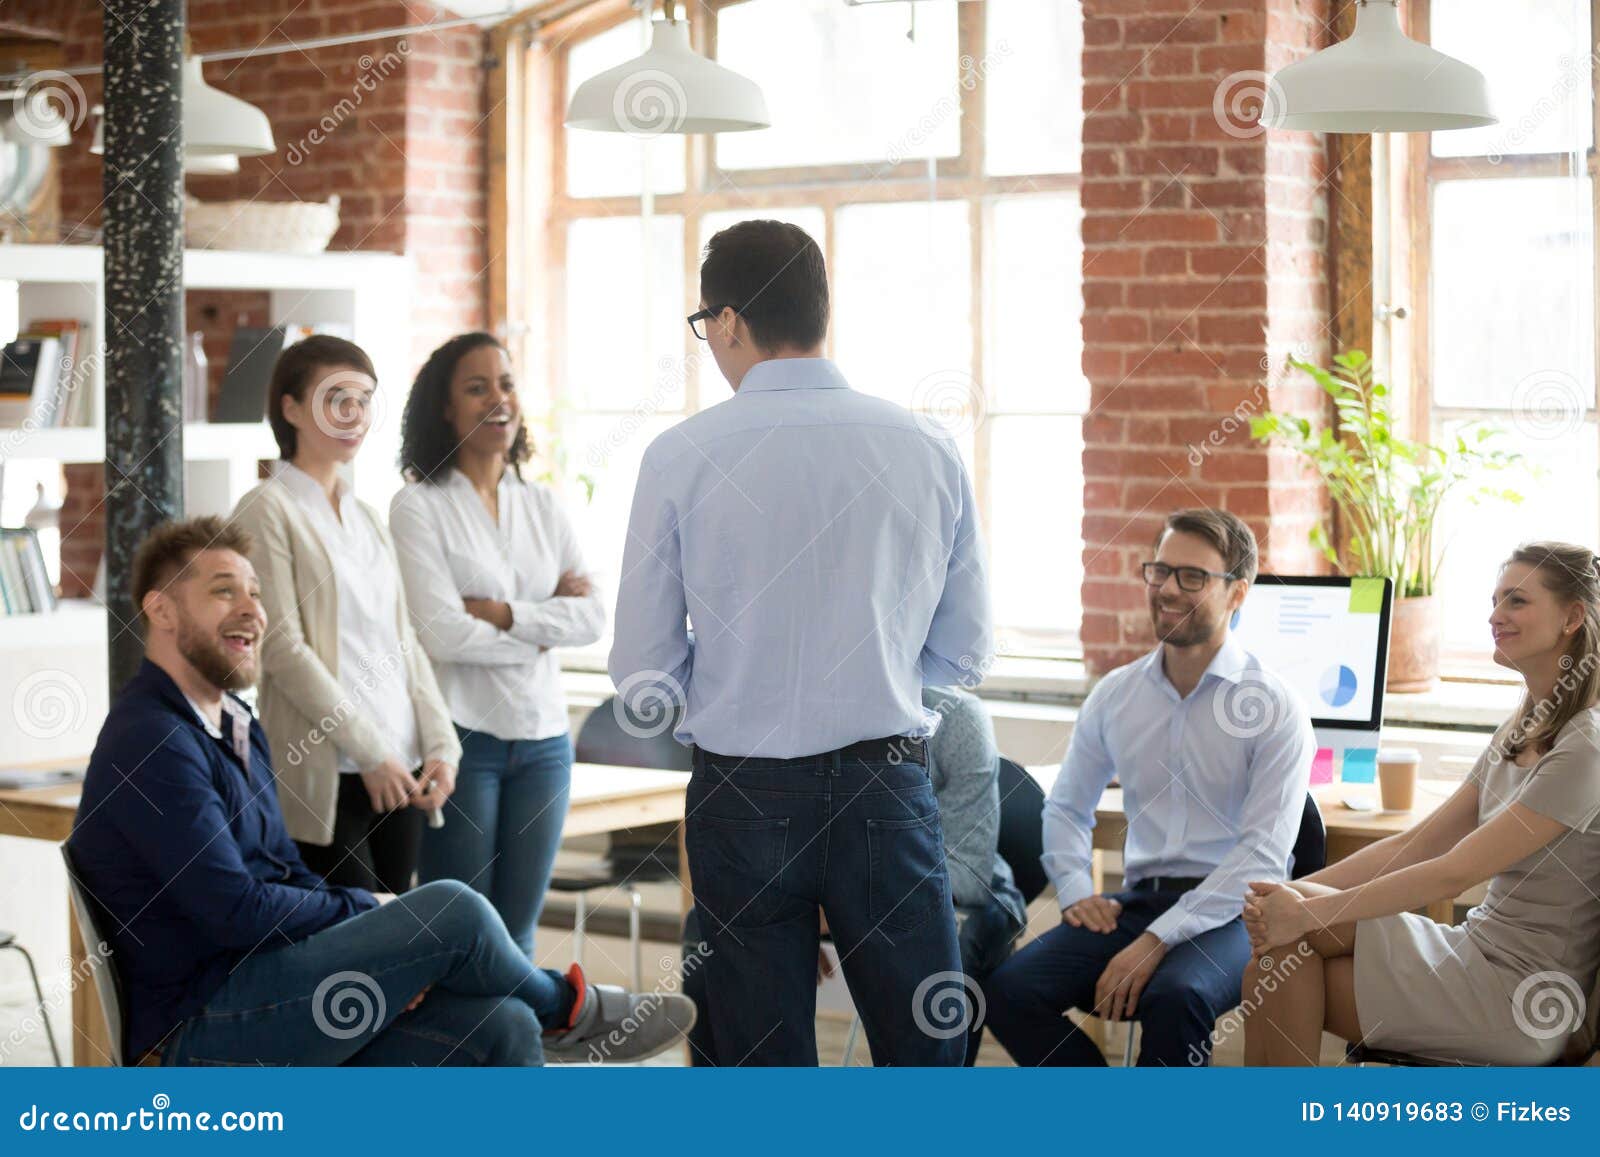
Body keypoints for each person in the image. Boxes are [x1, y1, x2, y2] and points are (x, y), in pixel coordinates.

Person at [66, 516, 694, 1066]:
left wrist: (375, 949)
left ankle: (544, 1019)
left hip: (268, 990)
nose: (253, 610)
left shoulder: (236, 724)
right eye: (223, 591)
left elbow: (280, 871)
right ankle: (569, 1008)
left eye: (256, 593)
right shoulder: (151, 741)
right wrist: (367, 914)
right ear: (162, 611)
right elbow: (234, 911)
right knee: (452, 909)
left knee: (501, 1026)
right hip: (199, 1029)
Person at [610, 219, 993, 1066]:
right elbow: (965, 654)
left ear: (731, 320)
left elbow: (641, 665)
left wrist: (730, 703)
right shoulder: (926, 445)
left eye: (706, 325)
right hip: (884, 788)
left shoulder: (680, 454)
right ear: (821, 311)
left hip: (741, 796)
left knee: (760, 1065)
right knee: (927, 1057)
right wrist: (875, 674)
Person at [1243, 541, 1600, 1066]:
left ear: (1573, 616)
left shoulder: (1586, 747)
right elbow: (1417, 843)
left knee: (1282, 953)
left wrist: (1305, 914)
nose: (1495, 615)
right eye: (1496, 600)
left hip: (1518, 998)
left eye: (1516, 601)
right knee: (1282, 954)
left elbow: (1451, 874)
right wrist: (1287, 898)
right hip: (1471, 952)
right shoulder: (1525, 723)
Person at [983, 508, 1313, 1067]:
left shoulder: (1274, 706)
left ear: (1238, 593)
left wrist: (1157, 941)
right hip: (1137, 900)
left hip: (1234, 913)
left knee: (1175, 996)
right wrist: (1073, 888)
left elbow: (1260, 857)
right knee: (1009, 991)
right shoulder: (1116, 696)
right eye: (1160, 571)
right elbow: (1065, 807)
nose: (1166, 589)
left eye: (1192, 577)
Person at [388, 332, 604, 957]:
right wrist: (541, 631)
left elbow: (592, 619)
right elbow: (440, 634)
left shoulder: (543, 504)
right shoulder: (418, 506)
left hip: (543, 743)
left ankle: (518, 1052)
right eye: (476, 387)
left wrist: (506, 614)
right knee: (455, 936)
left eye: (506, 384)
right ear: (445, 407)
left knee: (519, 935)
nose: (497, 399)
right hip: (461, 743)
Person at [679, 684, 1027, 1066]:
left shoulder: (960, 717)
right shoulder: (802, 715)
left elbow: (970, 868)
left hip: (966, 889)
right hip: (841, 881)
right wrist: (799, 914)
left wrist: (835, 907)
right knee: (709, 931)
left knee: (951, 952)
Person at [229, 335, 459, 893]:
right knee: (350, 948)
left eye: (363, 399)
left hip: (401, 767)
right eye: (337, 398)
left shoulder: (367, 517)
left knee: (401, 950)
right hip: (329, 770)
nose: (354, 415)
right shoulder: (267, 508)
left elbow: (404, 640)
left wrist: (442, 744)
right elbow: (280, 646)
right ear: (290, 408)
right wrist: (370, 750)